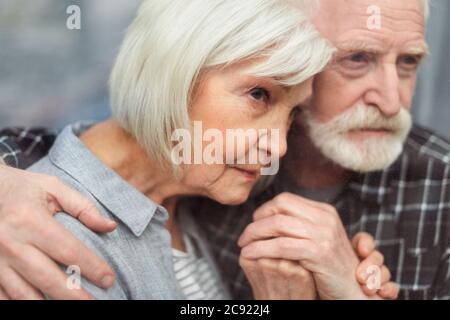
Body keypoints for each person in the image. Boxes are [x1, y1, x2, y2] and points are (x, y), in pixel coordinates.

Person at [0, 0, 414, 300]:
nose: (278, 145)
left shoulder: (189, 199)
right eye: (259, 94)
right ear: (172, 72)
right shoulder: (47, 244)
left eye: (291, 115)